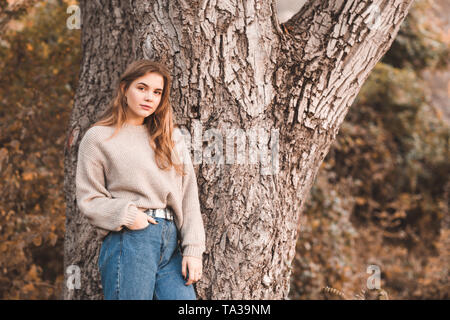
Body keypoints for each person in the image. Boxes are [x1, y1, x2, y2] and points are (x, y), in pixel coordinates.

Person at [75, 59, 206, 300]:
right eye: (142, 88)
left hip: (171, 245)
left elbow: (189, 197)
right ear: (125, 89)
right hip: (132, 239)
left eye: (157, 92)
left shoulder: (171, 138)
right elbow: (89, 199)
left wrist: (193, 250)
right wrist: (129, 215)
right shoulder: (98, 138)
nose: (149, 97)